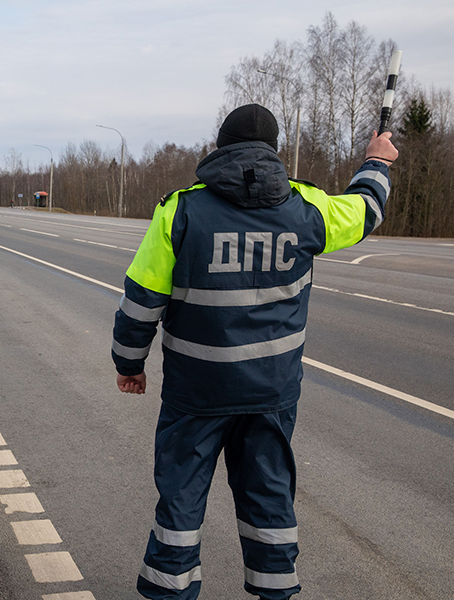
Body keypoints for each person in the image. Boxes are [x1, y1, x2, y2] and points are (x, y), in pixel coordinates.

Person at [112, 104, 398, 600]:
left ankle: (170, 592)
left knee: (180, 507)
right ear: (273, 151)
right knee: (269, 505)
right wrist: (377, 162)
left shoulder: (181, 210)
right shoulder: (307, 209)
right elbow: (364, 211)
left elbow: (141, 301)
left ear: (219, 146)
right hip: (271, 393)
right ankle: (275, 591)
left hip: (195, 396)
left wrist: (129, 364)